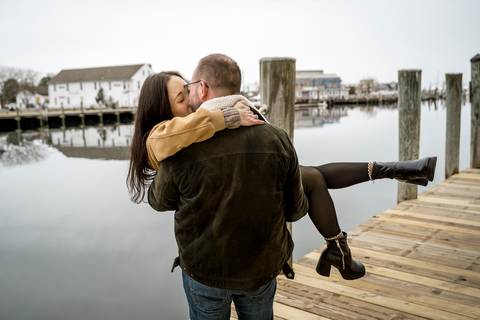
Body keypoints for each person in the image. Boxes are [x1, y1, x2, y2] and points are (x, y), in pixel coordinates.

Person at [127, 54, 437, 319]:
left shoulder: (180, 151)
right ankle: (348, 231)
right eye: (182, 96)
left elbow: (160, 201)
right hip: (259, 268)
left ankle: (347, 233)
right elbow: (294, 210)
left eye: (189, 89)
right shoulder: (262, 135)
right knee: (314, 177)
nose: (190, 96)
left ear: (204, 88)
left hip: (206, 272)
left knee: (314, 176)